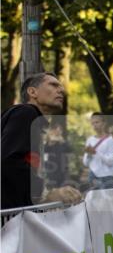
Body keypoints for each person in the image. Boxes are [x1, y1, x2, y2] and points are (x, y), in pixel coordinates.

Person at [1, 72, 81, 209]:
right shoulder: (26, 112)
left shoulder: (29, 119)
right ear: (32, 92)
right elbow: (9, 160)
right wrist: (46, 194)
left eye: (61, 87)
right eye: (53, 85)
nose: (61, 90)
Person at [83, 112, 113, 190]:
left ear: (104, 123)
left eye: (97, 122)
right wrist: (89, 154)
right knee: (96, 201)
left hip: (107, 177)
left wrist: (96, 153)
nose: (94, 125)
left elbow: (112, 161)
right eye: (92, 123)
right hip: (93, 176)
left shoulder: (110, 140)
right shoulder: (89, 140)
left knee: (109, 201)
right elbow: (85, 162)